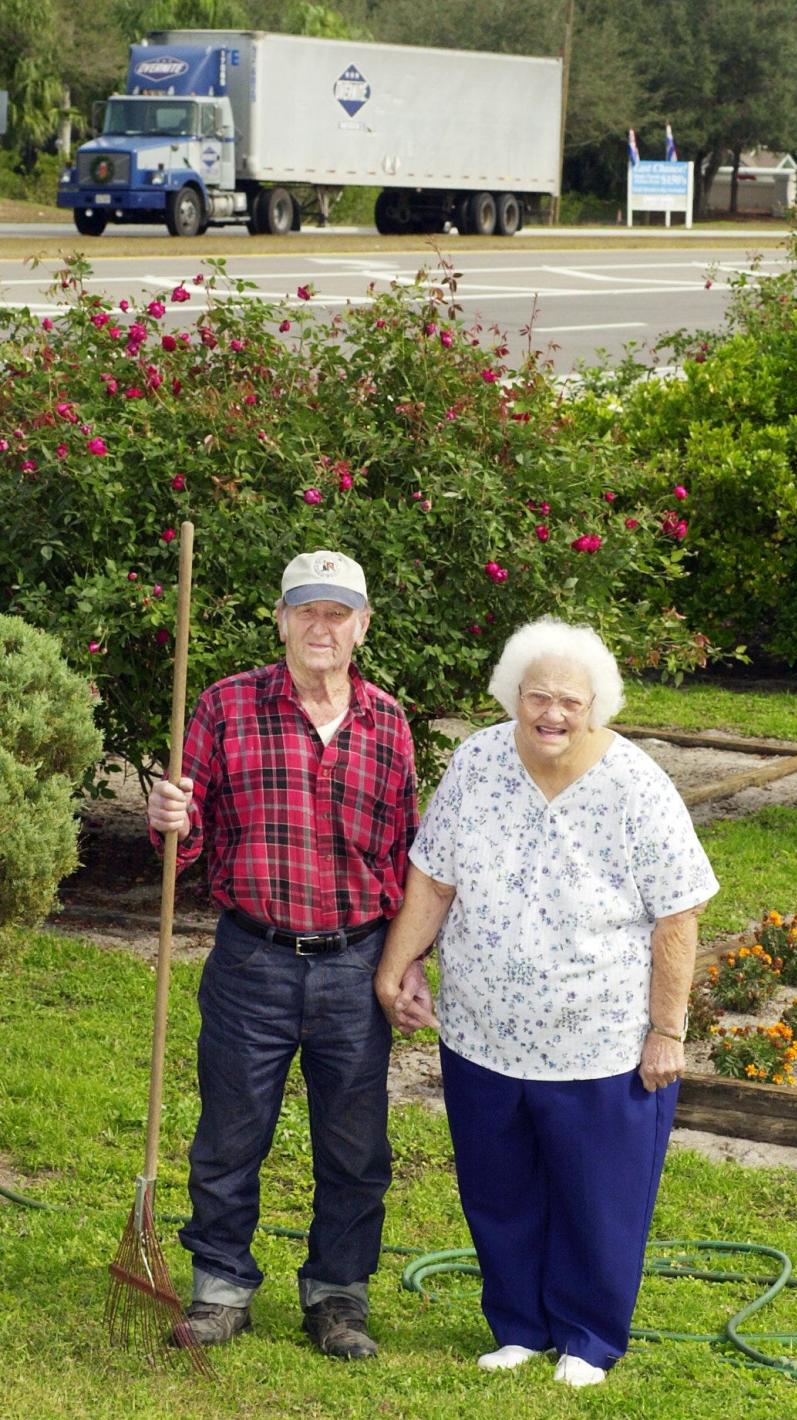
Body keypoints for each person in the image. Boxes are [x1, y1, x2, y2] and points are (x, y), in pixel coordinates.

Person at [375, 617, 719, 1388]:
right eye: (537, 696)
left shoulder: (635, 784)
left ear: (596, 706)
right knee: (500, 1189)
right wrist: (399, 967)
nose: (552, 713)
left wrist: (668, 1030)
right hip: (483, 1035)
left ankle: (589, 1338)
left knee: (599, 1198)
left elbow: (678, 914)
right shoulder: (477, 762)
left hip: (598, 1040)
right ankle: (519, 1326)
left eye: (570, 700)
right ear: (512, 697)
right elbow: (433, 877)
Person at [146, 549, 431, 1358]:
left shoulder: (389, 722)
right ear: (281, 619)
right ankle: (221, 1289)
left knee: (355, 1143)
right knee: (231, 1134)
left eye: (337, 613)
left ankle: (338, 1295)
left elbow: (407, 855)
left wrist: (407, 960)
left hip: (353, 964)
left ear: (362, 627)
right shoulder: (225, 706)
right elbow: (187, 839)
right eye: (306, 610)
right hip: (252, 960)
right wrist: (172, 815)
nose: (321, 626)